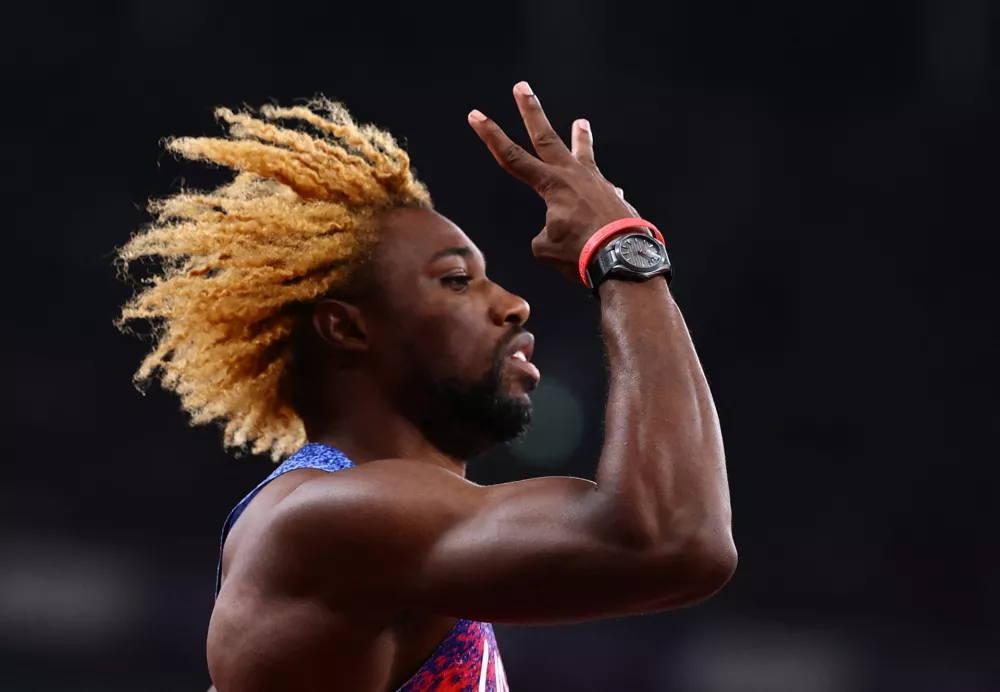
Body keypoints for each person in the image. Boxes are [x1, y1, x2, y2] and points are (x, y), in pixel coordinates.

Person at [117, 81, 735, 692]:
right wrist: (619, 249)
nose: (515, 305)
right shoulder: (326, 521)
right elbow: (676, 537)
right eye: (457, 280)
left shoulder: (384, 529)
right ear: (347, 328)